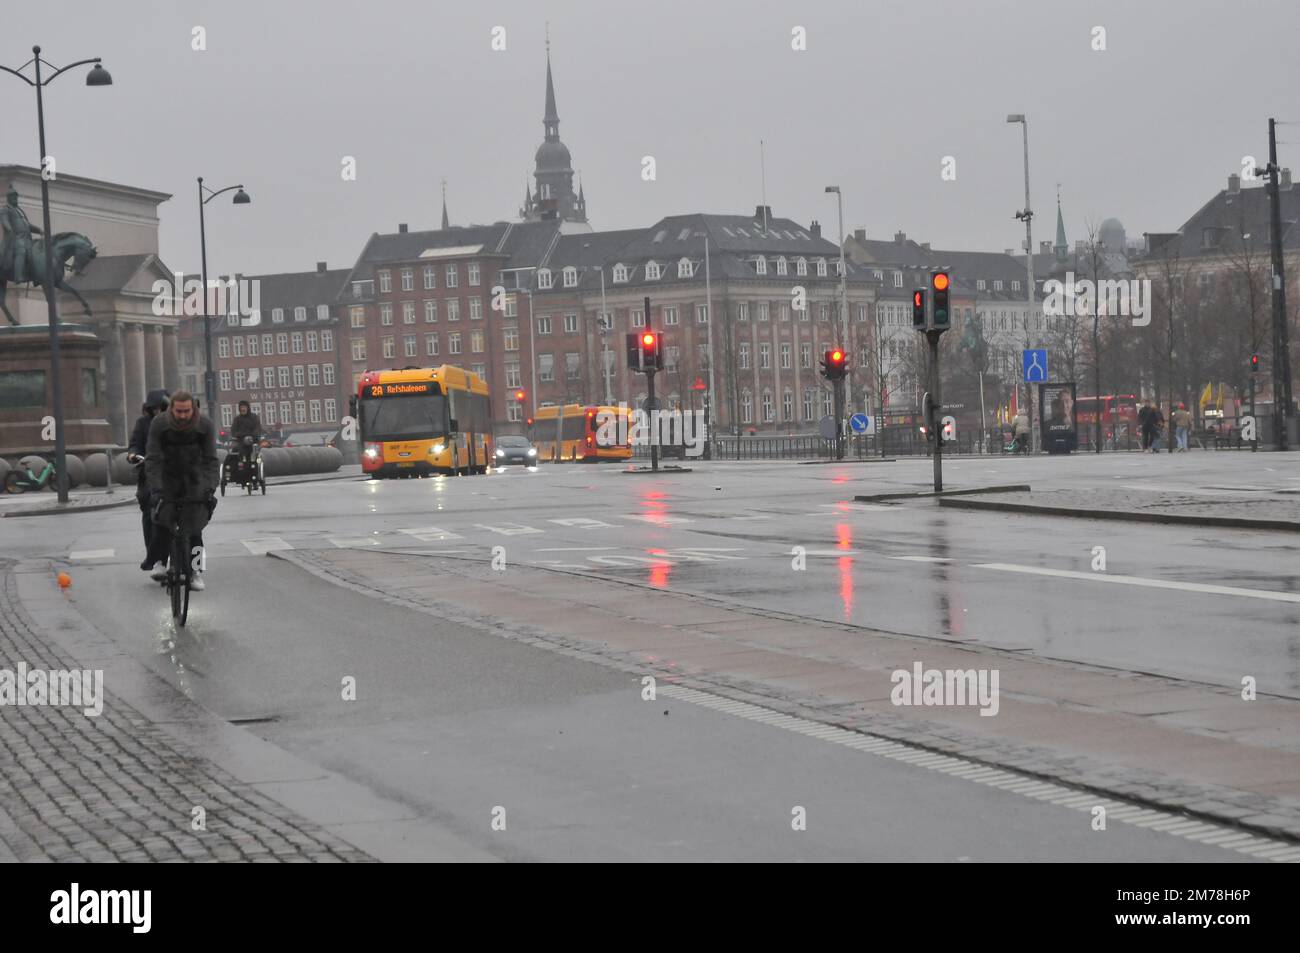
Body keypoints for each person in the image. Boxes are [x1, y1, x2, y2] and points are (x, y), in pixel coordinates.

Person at [144, 390, 219, 591]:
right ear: (172, 409)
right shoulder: (159, 424)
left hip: (194, 479)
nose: (183, 415)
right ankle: (159, 562)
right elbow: (153, 458)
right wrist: (156, 489)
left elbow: (210, 460)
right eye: (179, 411)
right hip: (167, 478)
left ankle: (196, 572)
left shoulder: (205, 425)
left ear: (193, 408)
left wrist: (209, 488)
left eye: (187, 411)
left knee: (195, 531)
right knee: (161, 522)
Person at [128, 389, 170, 574]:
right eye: (155, 409)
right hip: (152, 475)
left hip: (180, 475)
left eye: (163, 408)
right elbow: (136, 443)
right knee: (149, 510)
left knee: (195, 526)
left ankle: (197, 569)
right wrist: (133, 454)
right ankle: (156, 557)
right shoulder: (144, 424)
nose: (158, 412)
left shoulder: (184, 424)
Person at [229, 399, 262, 465]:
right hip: (241, 441)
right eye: (241, 407)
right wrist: (239, 436)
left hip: (253, 441)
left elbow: (257, 429)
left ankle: (256, 464)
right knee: (235, 451)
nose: (243, 409)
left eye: (244, 407)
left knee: (256, 451)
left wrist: (252, 436)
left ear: (248, 408)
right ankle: (237, 464)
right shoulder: (237, 419)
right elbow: (233, 431)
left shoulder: (254, 418)